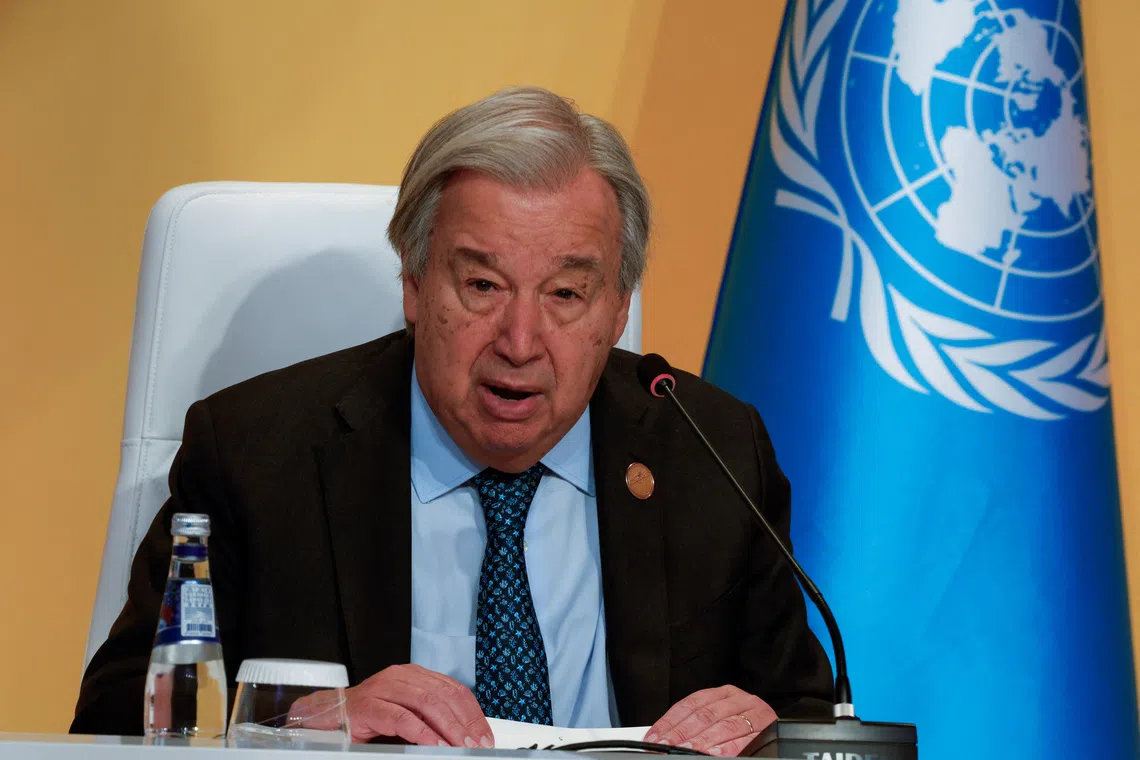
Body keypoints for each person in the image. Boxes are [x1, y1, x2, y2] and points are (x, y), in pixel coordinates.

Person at [72, 86, 832, 755]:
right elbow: (111, 722)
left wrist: (770, 732)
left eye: (566, 294)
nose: (521, 342)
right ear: (412, 282)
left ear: (618, 307)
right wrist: (296, 725)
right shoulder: (256, 455)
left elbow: (813, 721)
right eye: (481, 284)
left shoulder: (711, 452)